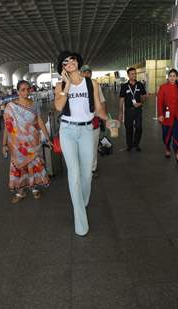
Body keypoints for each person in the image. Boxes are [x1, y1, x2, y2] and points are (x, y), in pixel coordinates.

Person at [55, 51, 114, 236]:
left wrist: (110, 119)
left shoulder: (92, 83)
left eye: (72, 59)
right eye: (65, 62)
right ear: (62, 68)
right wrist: (66, 86)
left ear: (77, 62)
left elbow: (98, 109)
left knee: (87, 174)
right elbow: (58, 107)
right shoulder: (60, 85)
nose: (69, 62)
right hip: (67, 131)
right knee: (74, 174)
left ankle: (82, 201)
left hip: (87, 130)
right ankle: (80, 222)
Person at [2, 80, 52, 204]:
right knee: (19, 166)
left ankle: (33, 187)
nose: (26, 92)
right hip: (17, 144)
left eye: (28, 89)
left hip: (32, 141)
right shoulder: (11, 106)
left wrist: (48, 138)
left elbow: (40, 121)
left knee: (33, 164)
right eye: (23, 89)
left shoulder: (34, 104)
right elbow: (7, 126)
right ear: (17, 91)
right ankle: (20, 191)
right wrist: (4, 144)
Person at [80, 64, 107, 178]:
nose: (86, 74)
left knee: (93, 145)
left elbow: (102, 101)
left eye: (88, 72)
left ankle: (92, 169)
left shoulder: (95, 85)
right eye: (84, 72)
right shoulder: (76, 85)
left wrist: (105, 118)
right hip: (79, 122)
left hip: (94, 120)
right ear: (80, 73)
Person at [157, 68, 178, 163]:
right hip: (166, 116)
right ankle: (167, 148)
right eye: (170, 76)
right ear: (168, 77)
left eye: (174, 76)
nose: (172, 78)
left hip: (177, 117)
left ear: (176, 77)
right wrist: (160, 114)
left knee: (177, 135)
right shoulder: (163, 87)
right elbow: (160, 102)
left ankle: (177, 153)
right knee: (166, 136)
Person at [118, 67, 146, 151]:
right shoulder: (124, 86)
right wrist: (120, 113)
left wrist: (140, 103)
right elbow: (121, 100)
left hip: (138, 110)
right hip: (129, 110)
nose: (134, 75)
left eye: (135, 73)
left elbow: (144, 96)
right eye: (132, 74)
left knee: (139, 128)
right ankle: (129, 145)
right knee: (129, 128)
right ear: (128, 75)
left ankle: (136, 144)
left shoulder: (140, 85)